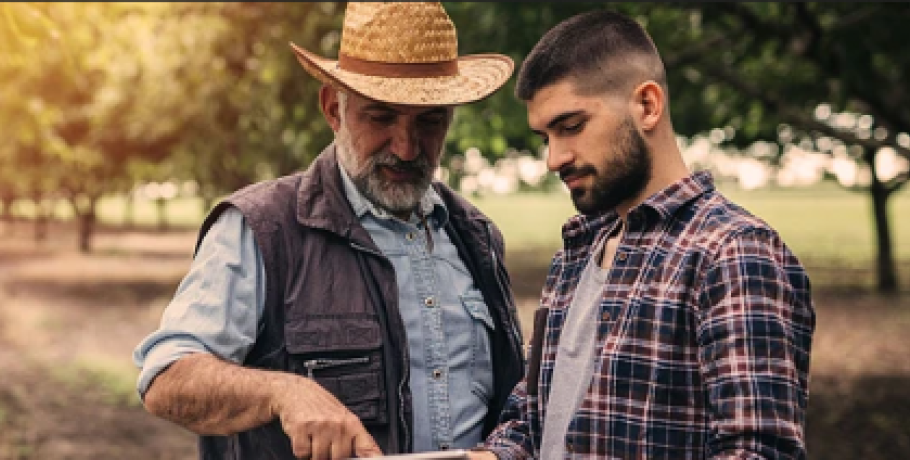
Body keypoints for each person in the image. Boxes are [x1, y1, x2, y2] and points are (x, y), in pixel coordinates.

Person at [133, 3, 525, 459]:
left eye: (429, 120)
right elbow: (166, 378)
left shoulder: (477, 236)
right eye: (380, 117)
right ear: (332, 110)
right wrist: (283, 393)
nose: (405, 146)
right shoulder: (262, 229)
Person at [472, 9, 816, 459]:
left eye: (571, 126)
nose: (554, 158)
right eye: (544, 138)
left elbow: (756, 451)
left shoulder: (732, 253)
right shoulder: (575, 255)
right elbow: (531, 420)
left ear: (647, 106)